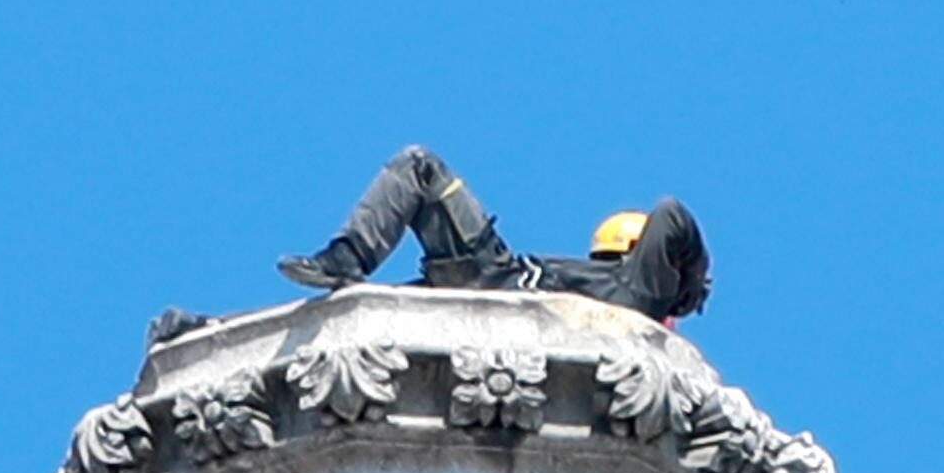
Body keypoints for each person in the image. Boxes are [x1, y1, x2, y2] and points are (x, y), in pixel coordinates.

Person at [277, 145, 711, 323]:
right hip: (490, 285)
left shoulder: (639, 293)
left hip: (492, 277)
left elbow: (672, 214)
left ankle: (347, 258)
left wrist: (690, 284)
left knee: (420, 167)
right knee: (362, 311)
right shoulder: (621, 287)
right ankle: (343, 264)